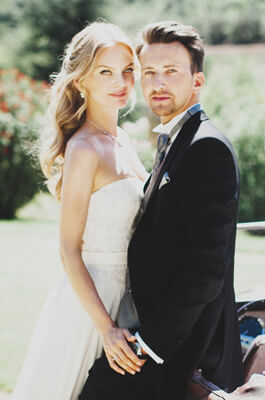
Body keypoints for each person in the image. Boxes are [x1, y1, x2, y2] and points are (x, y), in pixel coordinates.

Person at [81, 21, 243, 400]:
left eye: (171, 71)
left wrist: (148, 346)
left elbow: (205, 270)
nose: (158, 83)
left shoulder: (207, 147)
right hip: (152, 339)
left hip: (178, 352)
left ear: (197, 81)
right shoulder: (175, 140)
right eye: (149, 72)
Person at [11, 22, 148, 400]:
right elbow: (68, 250)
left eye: (127, 70)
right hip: (89, 306)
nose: (120, 81)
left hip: (129, 298)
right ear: (80, 80)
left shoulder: (122, 140)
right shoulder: (84, 148)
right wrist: (105, 327)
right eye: (105, 72)